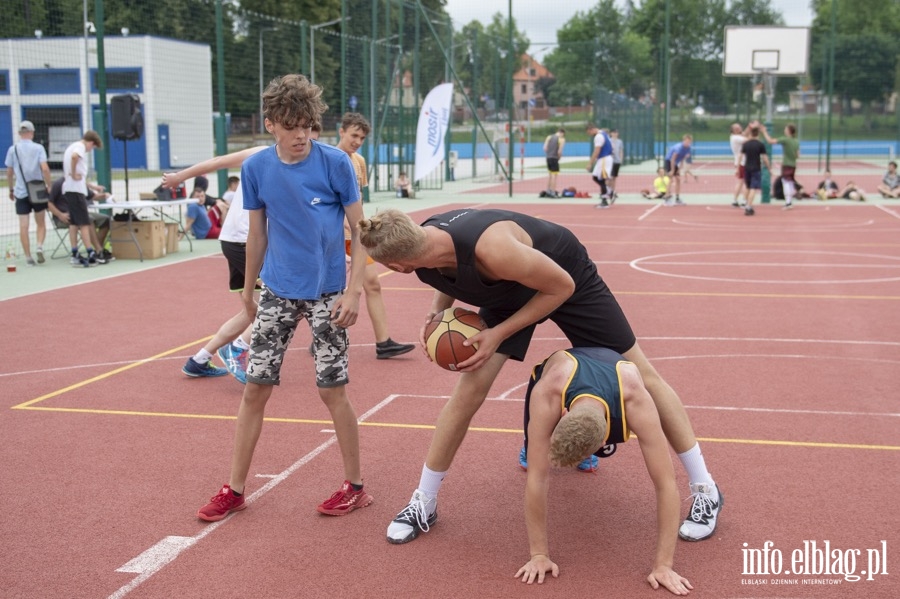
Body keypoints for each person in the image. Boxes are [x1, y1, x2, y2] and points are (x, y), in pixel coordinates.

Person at [357, 208, 722, 546]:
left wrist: (497, 334)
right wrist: (437, 317)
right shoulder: (422, 246)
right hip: (507, 292)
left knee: (643, 375)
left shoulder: (493, 249)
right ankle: (425, 501)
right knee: (467, 394)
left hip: (565, 275)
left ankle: (706, 488)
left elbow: (560, 288)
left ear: (399, 265)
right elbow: (446, 275)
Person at [196, 73, 372, 521]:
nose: (301, 135)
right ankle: (234, 489)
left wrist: (354, 292)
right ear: (271, 123)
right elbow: (257, 233)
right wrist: (249, 291)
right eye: (292, 125)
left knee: (332, 391)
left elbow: (360, 230)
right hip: (277, 290)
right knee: (255, 389)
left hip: (328, 294)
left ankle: (355, 486)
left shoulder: (335, 164)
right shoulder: (256, 168)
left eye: (308, 125)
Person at [515, 347, 693, 595]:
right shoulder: (547, 391)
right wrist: (539, 554)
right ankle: (534, 445)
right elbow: (538, 477)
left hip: (616, 379)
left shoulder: (636, 399)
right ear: (562, 414)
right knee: (534, 457)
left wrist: (664, 565)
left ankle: (584, 455)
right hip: (562, 373)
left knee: (570, 454)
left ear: (605, 440)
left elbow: (666, 484)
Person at [163, 147, 269, 382]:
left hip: (234, 239)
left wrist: (179, 177)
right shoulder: (267, 153)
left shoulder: (295, 158)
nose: (303, 135)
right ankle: (238, 348)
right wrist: (180, 177)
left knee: (251, 309)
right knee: (281, 302)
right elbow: (220, 161)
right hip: (246, 241)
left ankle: (199, 360)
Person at [335, 112, 415, 360]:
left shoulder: (358, 161)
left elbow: (356, 200)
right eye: (354, 135)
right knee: (328, 291)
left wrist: (366, 227)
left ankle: (384, 343)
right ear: (342, 131)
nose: (358, 140)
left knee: (373, 284)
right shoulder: (329, 160)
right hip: (333, 237)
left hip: (355, 236)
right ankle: (323, 335)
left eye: (362, 137)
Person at [5, 120, 53, 266]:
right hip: (37, 190)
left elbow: (9, 171)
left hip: (21, 191)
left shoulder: (13, 149)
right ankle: (39, 245)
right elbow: (44, 168)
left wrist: (11, 189)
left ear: (20, 134)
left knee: (23, 225)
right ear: (32, 133)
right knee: (41, 223)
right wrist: (49, 185)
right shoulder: (38, 148)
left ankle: (28, 257)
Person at [62, 130, 106, 267]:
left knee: (74, 223)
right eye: (92, 148)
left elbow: (79, 177)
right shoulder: (79, 148)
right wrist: (74, 174)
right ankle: (90, 252)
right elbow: (75, 158)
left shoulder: (72, 146)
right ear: (91, 143)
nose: (90, 150)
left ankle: (75, 252)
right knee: (84, 222)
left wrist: (92, 186)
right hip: (75, 191)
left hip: (70, 189)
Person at [47, 176, 114, 265]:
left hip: (81, 213)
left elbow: (92, 196)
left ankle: (98, 249)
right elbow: (48, 203)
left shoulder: (80, 183)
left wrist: (105, 195)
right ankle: (97, 251)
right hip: (65, 216)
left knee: (106, 219)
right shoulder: (59, 184)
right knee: (88, 219)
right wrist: (60, 215)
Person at [763, 124, 799, 209]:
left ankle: (788, 202)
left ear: (789, 131)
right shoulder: (796, 141)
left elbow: (770, 141)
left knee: (785, 182)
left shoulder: (785, 139)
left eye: (786, 129)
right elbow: (798, 155)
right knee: (790, 182)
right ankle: (789, 201)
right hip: (793, 164)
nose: (784, 130)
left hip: (786, 164)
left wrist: (764, 132)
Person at [739, 125, 770, 216]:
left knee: (748, 187)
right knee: (753, 188)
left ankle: (745, 202)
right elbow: (765, 158)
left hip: (747, 167)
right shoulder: (760, 144)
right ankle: (748, 206)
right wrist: (769, 168)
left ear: (751, 133)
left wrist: (737, 168)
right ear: (758, 134)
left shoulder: (746, 144)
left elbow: (740, 157)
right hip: (756, 168)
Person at [586, 123, 614, 209]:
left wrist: (590, 163)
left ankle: (604, 200)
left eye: (589, 133)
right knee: (595, 177)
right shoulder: (603, 133)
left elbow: (597, 151)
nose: (590, 135)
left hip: (604, 159)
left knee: (602, 179)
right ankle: (609, 191)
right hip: (603, 159)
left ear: (592, 129)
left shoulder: (598, 136)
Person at [664, 134, 692, 205]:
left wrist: (679, 168)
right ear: (683, 141)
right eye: (686, 141)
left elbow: (682, 158)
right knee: (670, 179)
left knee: (678, 179)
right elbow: (672, 159)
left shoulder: (688, 148)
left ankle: (677, 199)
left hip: (676, 163)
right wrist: (672, 170)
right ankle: (667, 199)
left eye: (689, 142)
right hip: (669, 161)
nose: (688, 143)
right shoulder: (678, 147)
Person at [729, 123, 748, 207]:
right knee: (745, 182)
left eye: (739, 127)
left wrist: (749, 128)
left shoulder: (737, 137)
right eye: (736, 128)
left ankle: (735, 200)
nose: (739, 129)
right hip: (742, 162)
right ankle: (744, 201)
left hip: (740, 162)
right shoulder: (736, 138)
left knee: (741, 182)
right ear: (733, 130)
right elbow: (747, 139)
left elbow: (744, 134)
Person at [543, 127, 566, 198]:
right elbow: (559, 151)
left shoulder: (549, 137)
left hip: (548, 157)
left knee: (550, 174)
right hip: (554, 158)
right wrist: (559, 157)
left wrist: (549, 153)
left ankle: (548, 190)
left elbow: (545, 148)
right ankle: (553, 192)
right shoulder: (561, 139)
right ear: (562, 133)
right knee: (554, 175)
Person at [608, 128, 624, 199]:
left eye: (616, 133)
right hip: (610, 161)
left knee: (614, 177)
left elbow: (621, 150)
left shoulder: (619, 141)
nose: (615, 134)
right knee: (609, 177)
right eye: (613, 133)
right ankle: (607, 190)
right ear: (611, 134)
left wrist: (620, 159)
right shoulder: (608, 141)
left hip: (617, 161)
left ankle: (613, 191)